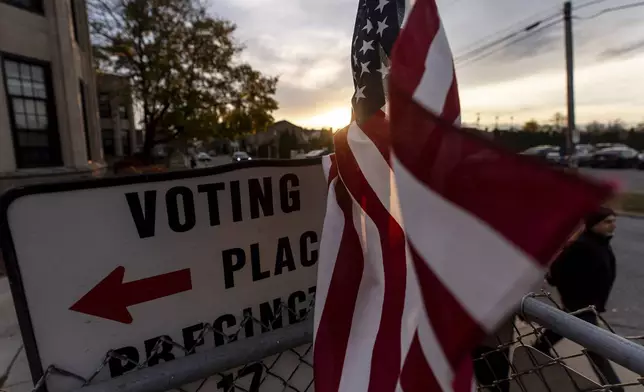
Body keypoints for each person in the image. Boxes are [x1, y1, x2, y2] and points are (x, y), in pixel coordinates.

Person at [534, 206, 623, 390]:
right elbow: (556, 272)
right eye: (607, 222)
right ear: (592, 225)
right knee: (596, 349)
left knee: (547, 340)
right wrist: (573, 294)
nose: (613, 226)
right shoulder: (582, 246)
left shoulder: (600, 243)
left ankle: (535, 357)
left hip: (585, 306)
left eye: (614, 221)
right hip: (580, 306)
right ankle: (616, 389)